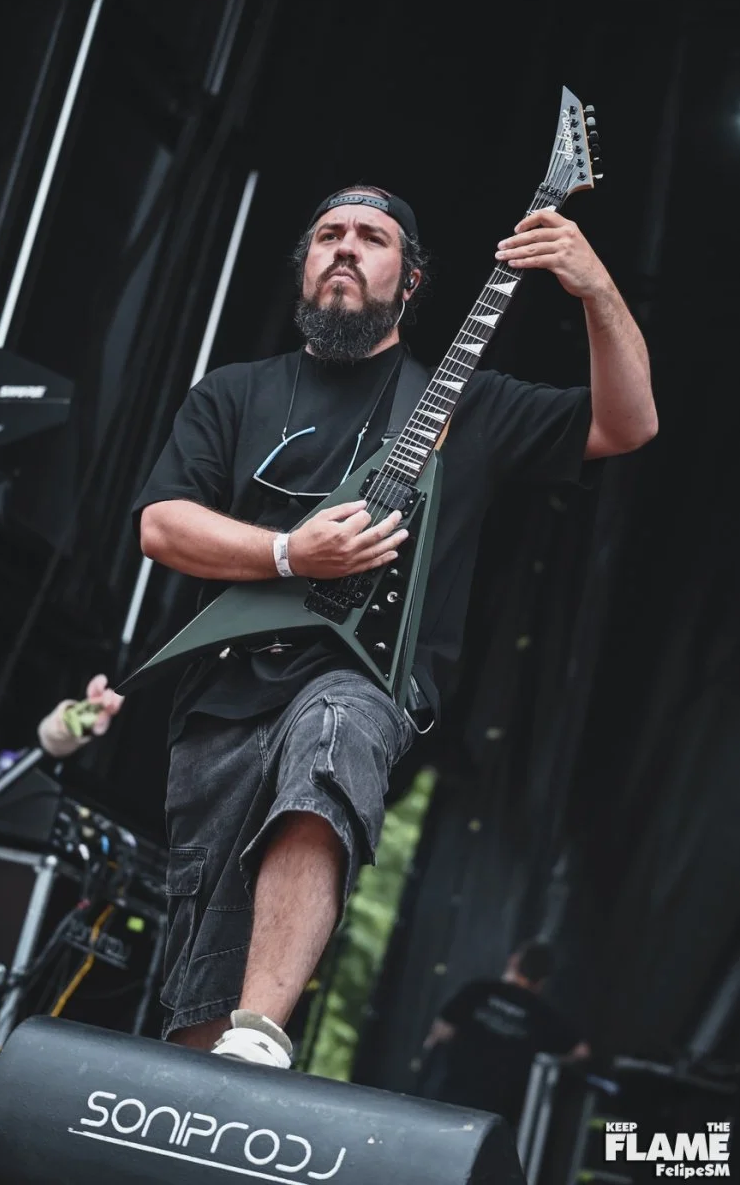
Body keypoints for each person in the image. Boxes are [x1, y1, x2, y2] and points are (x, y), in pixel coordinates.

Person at [133, 184, 657, 1069]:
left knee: (332, 733)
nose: (344, 247)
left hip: (366, 680)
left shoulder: (467, 406)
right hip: (225, 696)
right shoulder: (234, 393)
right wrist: (290, 553)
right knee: (200, 972)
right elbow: (161, 526)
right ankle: (201, 1091)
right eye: (327, 235)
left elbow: (628, 422)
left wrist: (594, 288)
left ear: (409, 282)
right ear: (304, 266)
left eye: (371, 238)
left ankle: (260, 1034)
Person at [423, 941, 590, 1125]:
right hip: (498, 1112)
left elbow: (441, 1032)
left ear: (514, 961)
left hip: (451, 1097)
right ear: (544, 979)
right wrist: (545, 1063)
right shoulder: (544, 1016)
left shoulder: (479, 990)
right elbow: (581, 1052)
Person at [37, 673, 124, 758]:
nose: (80, 713)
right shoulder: (107, 731)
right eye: (72, 726)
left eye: (70, 713)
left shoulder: (89, 689)